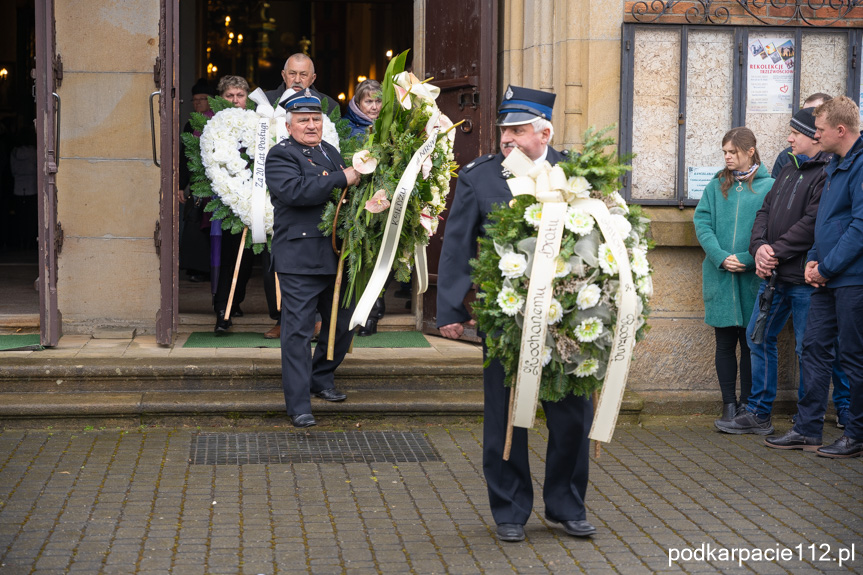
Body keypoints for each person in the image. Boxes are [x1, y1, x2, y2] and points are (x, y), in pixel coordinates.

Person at [437, 85, 595, 543]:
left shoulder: (578, 173)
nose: (508, 138)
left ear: (545, 131)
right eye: (504, 129)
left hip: (568, 321)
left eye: (519, 130)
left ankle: (566, 505)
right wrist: (450, 307)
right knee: (506, 415)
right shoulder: (480, 177)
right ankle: (509, 510)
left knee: (571, 416)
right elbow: (457, 245)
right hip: (505, 320)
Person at [715, 108, 827, 435]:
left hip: (805, 280)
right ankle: (759, 414)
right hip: (774, 279)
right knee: (758, 338)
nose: (789, 138)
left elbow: (811, 224)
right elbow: (765, 212)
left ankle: (807, 425)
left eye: (796, 133)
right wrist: (759, 248)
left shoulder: (826, 173)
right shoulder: (788, 168)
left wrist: (773, 251)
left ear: (815, 136)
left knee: (808, 350)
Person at [766, 96, 863, 458]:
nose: (815, 135)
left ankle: (857, 433)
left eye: (819, 130)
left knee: (854, 357)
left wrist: (827, 266)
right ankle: (807, 430)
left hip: (852, 278)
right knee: (814, 350)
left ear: (840, 130)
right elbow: (826, 222)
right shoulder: (835, 164)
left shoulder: (859, 165)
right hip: (825, 275)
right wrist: (814, 261)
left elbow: (858, 226)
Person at [264, 89, 360, 428]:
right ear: (289, 125)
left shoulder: (330, 151)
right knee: (298, 332)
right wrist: (340, 177)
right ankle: (299, 403)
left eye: (316, 119)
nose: (310, 125)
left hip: (335, 254)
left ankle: (321, 377)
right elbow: (295, 192)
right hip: (300, 257)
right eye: (303, 120)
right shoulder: (280, 156)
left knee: (344, 324)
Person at [693, 127, 774, 423]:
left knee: (751, 345)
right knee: (725, 343)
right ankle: (729, 404)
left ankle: (747, 407)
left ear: (750, 151)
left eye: (733, 152)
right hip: (720, 276)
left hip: (753, 277)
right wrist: (720, 257)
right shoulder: (716, 185)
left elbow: (775, 231)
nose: (727, 157)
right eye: (724, 152)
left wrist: (747, 259)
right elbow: (702, 222)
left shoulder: (770, 186)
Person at [179, 78, 215, 283]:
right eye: (194, 99)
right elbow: (185, 158)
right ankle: (197, 269)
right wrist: (180, 186)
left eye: (203, 99)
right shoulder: (190, 125)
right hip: (196, 183)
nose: (198, 103)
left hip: (216, 183)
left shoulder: (218, 120)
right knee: (194, 224)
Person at [771, 93, 832, 178]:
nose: (807, 116)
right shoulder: (786, 157)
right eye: (804, 112)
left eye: (814, 112)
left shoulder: (834, 162)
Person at [265, 53, 339, 116]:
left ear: (313, 78)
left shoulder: (330, 106)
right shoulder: (265, 101)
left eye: (303, 75)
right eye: (292, 74)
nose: (297, 80)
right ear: (284, 76)